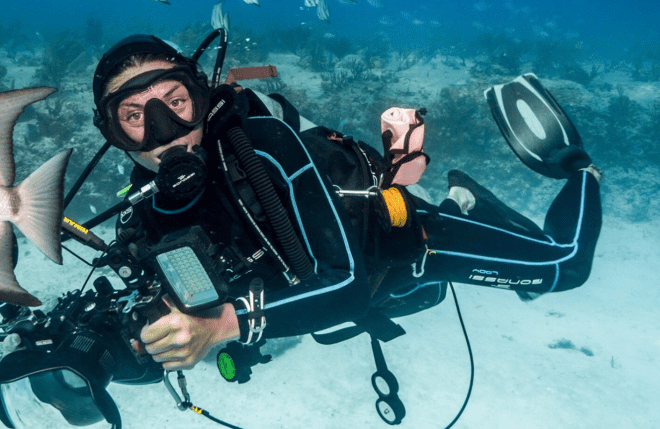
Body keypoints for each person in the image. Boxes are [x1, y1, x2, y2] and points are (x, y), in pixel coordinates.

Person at [90, 33, 603, 373]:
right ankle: (470, 202)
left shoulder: (264, 146)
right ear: (112, 133)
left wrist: (223, 324)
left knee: (565, 264)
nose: (164, 132)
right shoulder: (145, 209)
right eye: (135, 116)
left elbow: (344, 281)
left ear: (200, 99)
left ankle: (578, 168)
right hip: (327, 297)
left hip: (406, 248)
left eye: (177, 104)